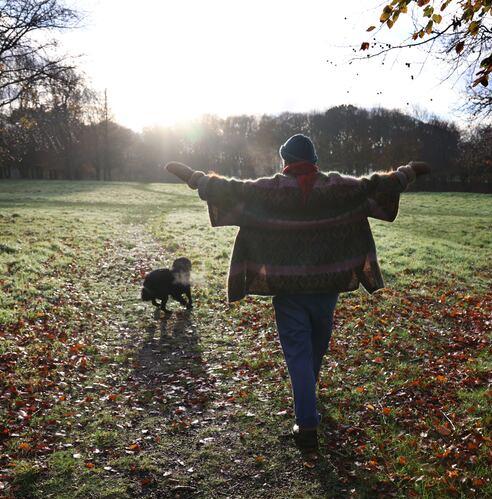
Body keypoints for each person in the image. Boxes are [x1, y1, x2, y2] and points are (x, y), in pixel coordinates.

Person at [166, 134, 428, 451]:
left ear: (285, 161)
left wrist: (195, 178)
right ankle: (308, 400)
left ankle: (306, 424)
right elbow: (374, 185)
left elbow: (233, 189)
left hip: (288, 287)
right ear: (314, 161)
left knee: (299, 356)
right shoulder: (337, 186)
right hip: (327, 286)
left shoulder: (269, 189)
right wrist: (408, 172)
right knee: (314, 348)